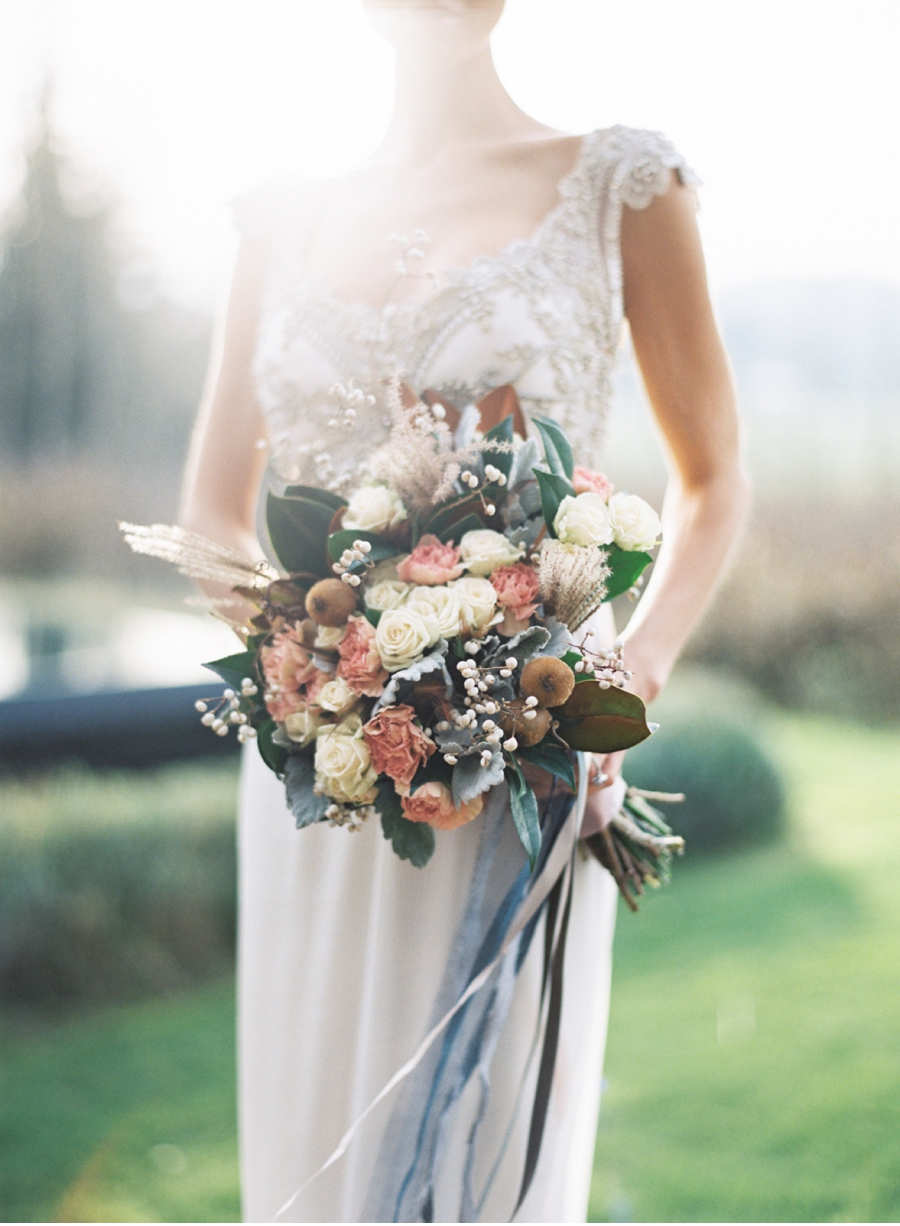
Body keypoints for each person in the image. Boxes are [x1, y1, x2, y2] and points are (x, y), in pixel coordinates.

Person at [181, 1, 750, 1220]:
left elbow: (714, 481)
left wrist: (629, 672)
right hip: (322, 772)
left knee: (486, 1154)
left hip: (522, 763)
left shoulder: (621, 184)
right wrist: (321, 678)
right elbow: (213, 508)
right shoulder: (279, 215)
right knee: (314, 1142)